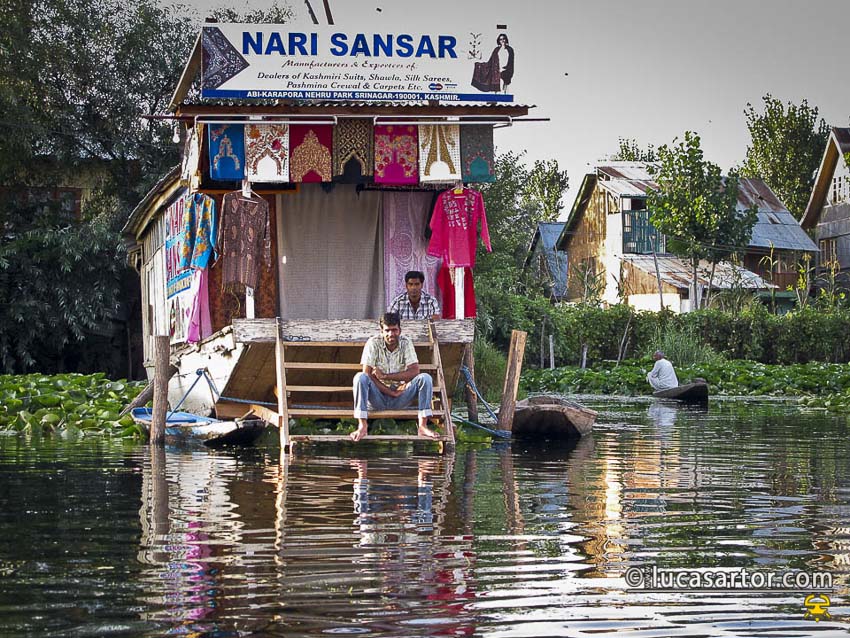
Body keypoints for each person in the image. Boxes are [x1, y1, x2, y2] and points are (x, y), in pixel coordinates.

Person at [350, 312, 440, 442]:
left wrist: (386, 376)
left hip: (401, 396)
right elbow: (367, 374)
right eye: (387, 330)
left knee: (425, 378)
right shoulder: (373, 343)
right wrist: (390, 392)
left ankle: (422, 426)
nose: (391, 334)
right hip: (377, 398)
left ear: (400, 330)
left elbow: (415, 371)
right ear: (381, 331)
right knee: (360, 377)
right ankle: (362, 425)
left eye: (394, 330)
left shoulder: (405, 342)